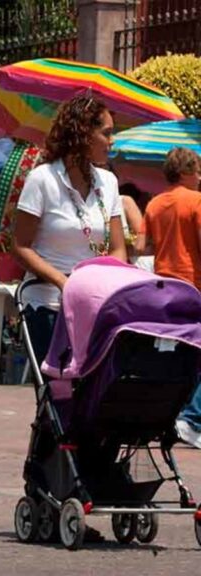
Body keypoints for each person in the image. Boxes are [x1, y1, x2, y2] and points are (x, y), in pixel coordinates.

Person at [13, 95, 127, 365]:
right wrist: (64, 283)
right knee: (56, 385)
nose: (112, 141)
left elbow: (119, 249)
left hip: (95, 305)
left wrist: (99, 285)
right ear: (82, 133)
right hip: (48, 305)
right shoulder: (42, 179)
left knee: (95, 386)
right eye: (106, 133)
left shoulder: (108, 182)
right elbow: (19, 247)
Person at [137, 147, 201, 448]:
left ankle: (175, 415)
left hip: (164, 287)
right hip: (194, 285)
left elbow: (141, 246)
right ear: (185, 172)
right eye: (198, 171)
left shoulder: (154, 204)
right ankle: (192, 418)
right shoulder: (196, 201)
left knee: (180, 353)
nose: (200, 178)